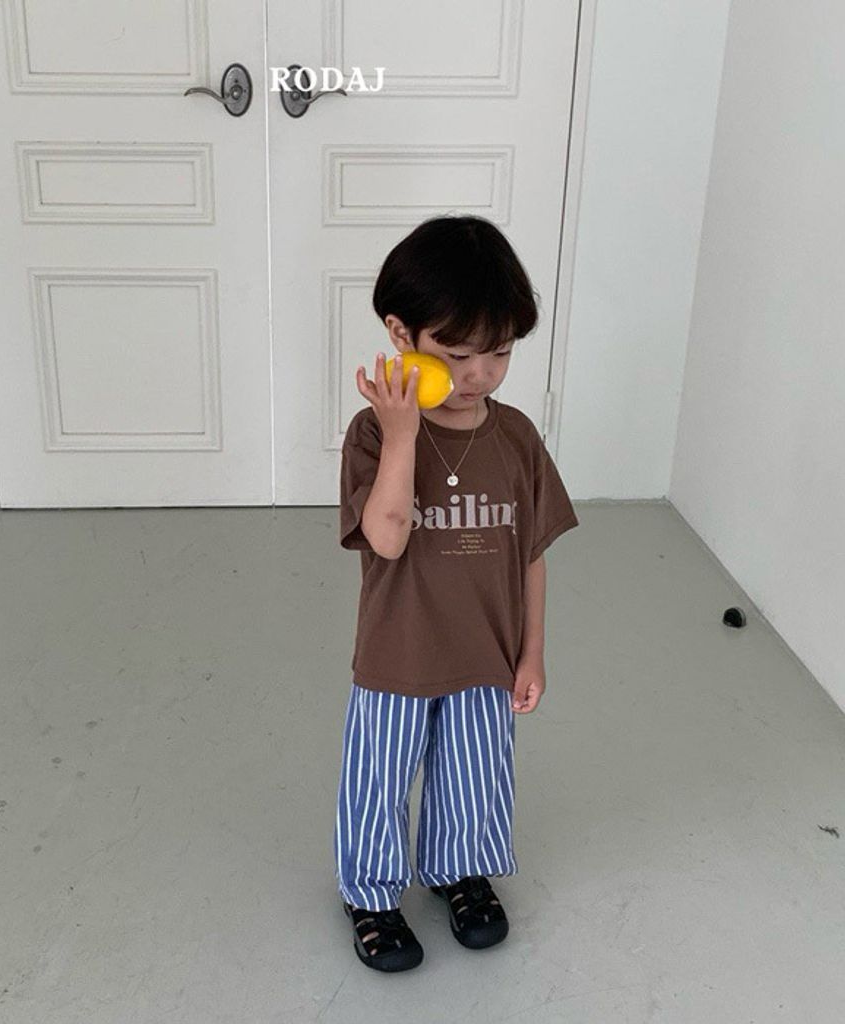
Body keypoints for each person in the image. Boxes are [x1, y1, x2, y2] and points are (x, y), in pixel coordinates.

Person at [335, 214, 579, 972]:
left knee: (475, 776)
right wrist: (403, 433)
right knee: (379, 779)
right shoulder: (373, 435)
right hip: (399, 653)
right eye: (458, 354)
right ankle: (371, 893)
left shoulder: (517, 439)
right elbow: (386, 537)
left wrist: (532, 652)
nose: (480, 375)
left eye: (499, 352)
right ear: (400, 334)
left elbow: (530, 554)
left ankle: (459, 872)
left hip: (486, 653)